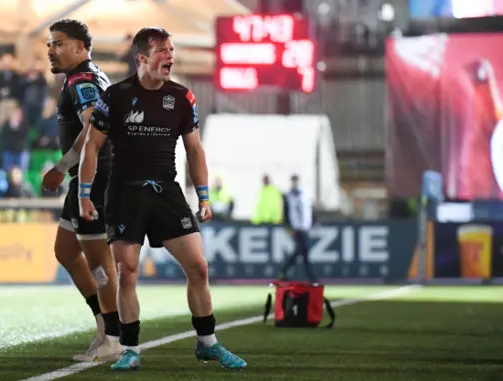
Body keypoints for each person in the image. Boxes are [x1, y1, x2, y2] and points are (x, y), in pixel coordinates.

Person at [78, 27, 247, 371]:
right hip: (125, 193)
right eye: (162, 51)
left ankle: (208, 344)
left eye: (172, 50)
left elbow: (195, 148)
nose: (170, 56)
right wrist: (84, 194)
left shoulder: (182, 97)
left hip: (166, 192)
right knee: (127, 272)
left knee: (199, 267)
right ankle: (130, 349)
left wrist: (203, 196)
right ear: (142, 58)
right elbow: (91, 146)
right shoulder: (114, 96)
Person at [40, 18, 122, 362]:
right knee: (65, 250)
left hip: (96, 178)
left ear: (79, 47)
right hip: (87, 179)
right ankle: (105, 324)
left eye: (58, 43)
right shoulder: (82, 78)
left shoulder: (83, 79)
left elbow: (92, 127)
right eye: (49, 43)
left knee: (100, 262)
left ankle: (115, 338)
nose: (50, 50)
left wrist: (61, 168)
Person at [279, 174, 318, 283]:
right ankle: (311, 276)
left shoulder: (305, 194)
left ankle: (284, 271)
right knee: (303, 251)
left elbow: (310, 209)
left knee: (300, 251)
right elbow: (285, 214)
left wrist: (314, 221)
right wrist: (288, 228)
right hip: (296, 228)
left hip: (305, 227)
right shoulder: (288, 196)